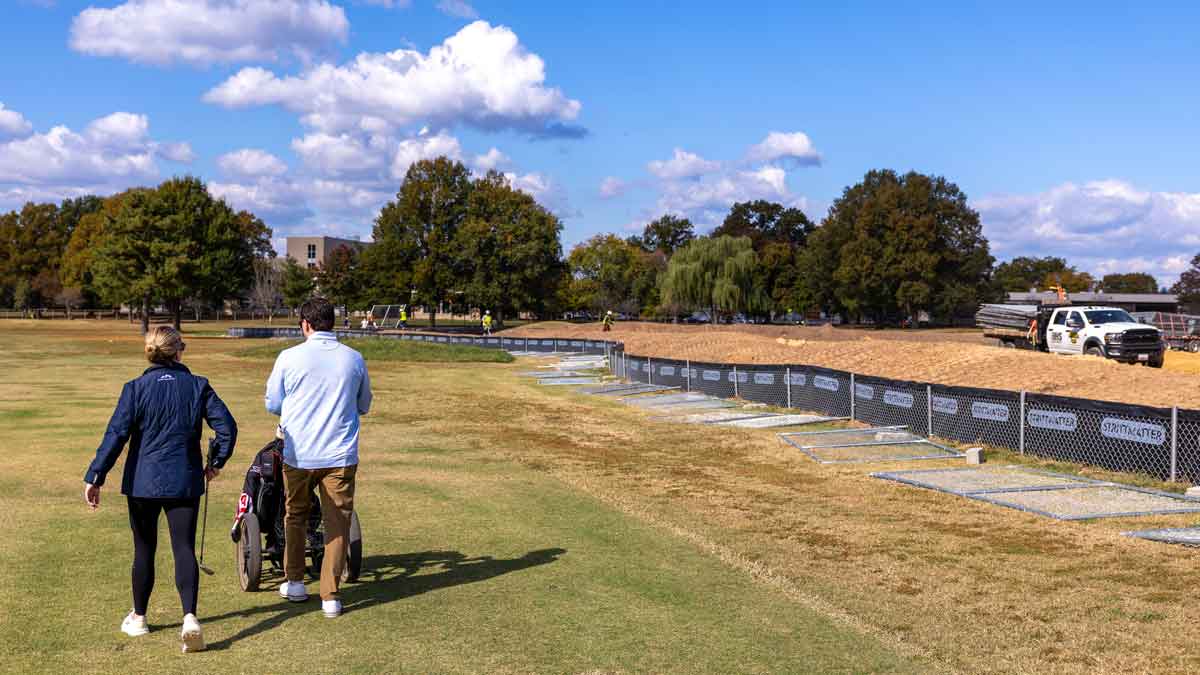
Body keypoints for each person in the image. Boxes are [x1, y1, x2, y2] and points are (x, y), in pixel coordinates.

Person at [83, 326, 237, 653]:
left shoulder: (135, 388)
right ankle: (190, 617)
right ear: (178, 351)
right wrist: (217, 462)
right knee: (183, 548)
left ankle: (139, 618)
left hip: (142, 482)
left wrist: (95, 476)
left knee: (144, 550)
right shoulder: (197, 385)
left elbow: (115, 436)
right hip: (184, 479)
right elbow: (227, 427)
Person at [265, 297, 372, 618]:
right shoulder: (354, 358)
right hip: (339, 453)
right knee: (336, 521)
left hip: (299, 453)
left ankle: (295, 581)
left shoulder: (289, 356)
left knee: (295, 514)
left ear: (305, 324)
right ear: (332, 323)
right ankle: (331, 595)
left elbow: (273, 402)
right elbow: (364, 404)